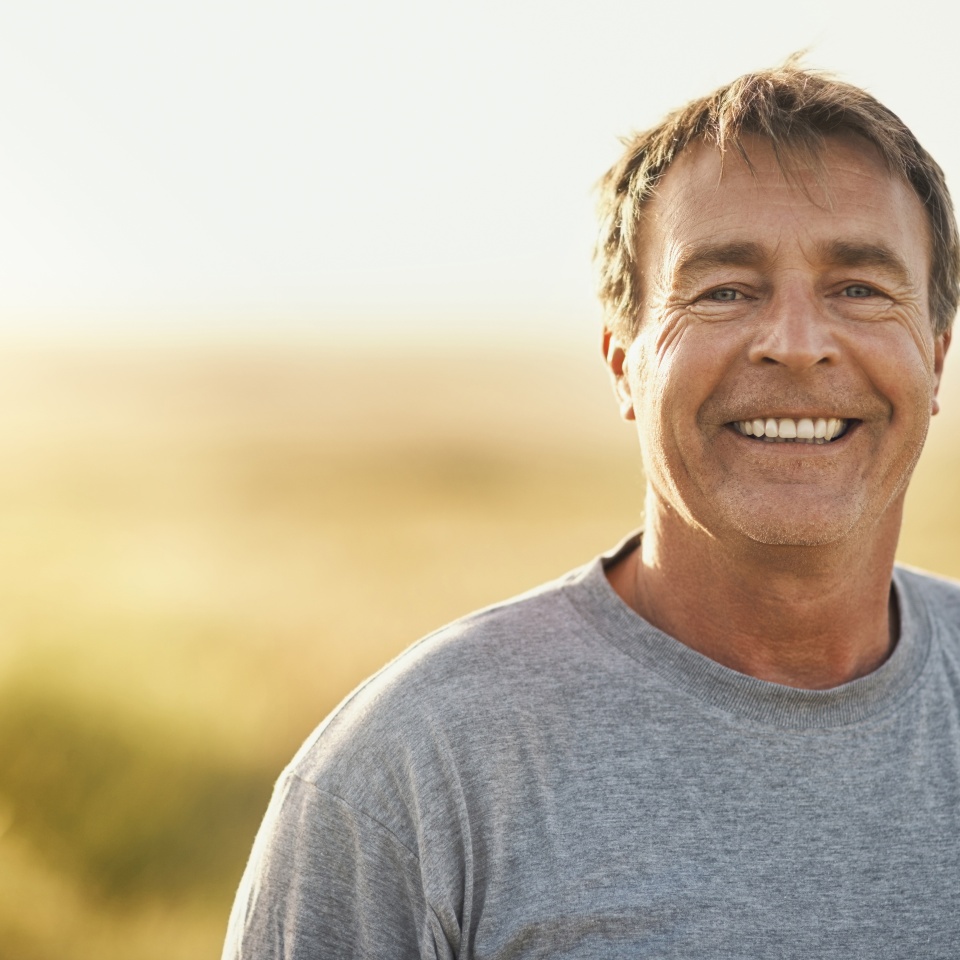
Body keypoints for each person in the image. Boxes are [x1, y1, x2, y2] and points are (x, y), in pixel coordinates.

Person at [223, 61, 960, 958]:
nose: (797, 345)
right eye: (725, 290)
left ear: (935, 357)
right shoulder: (409, 775)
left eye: (860, 289)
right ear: (623, 361)